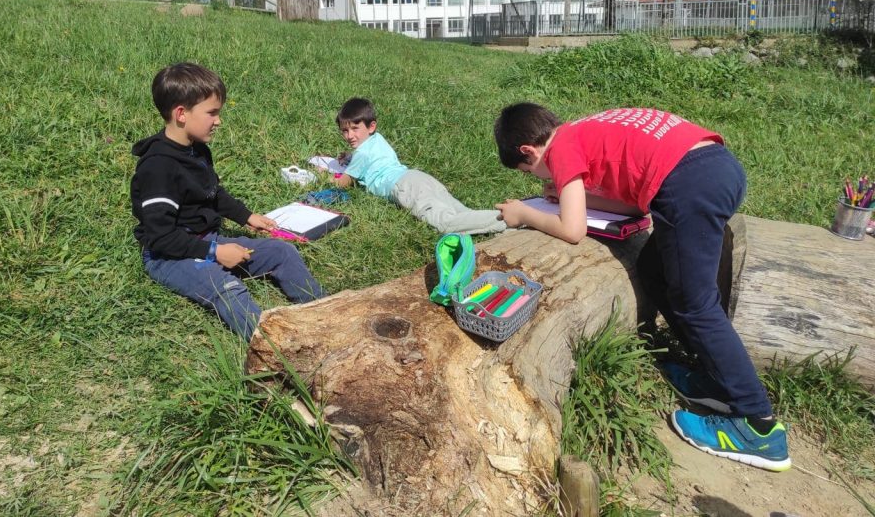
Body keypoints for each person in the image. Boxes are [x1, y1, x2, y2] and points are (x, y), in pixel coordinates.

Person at [493, 104, 790, 472]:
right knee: (653, 268)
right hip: (714, 166)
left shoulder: (560, 149)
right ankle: (718, 380)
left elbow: (573, 230)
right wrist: (568, 196)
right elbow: (636, 206)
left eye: (529, 172)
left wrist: (524, 213)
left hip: (689, 185)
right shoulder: (581, 130)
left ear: (529, 151)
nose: (540, 177)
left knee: (696, 304)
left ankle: (757, 426)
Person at [130, 63, 325, 341]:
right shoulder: (158, 168)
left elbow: (213, 193)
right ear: (181, 114)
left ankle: (324, 313)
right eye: (212, 113)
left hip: (206, 241)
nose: (218, 121)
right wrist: (215, 252)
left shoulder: (198, 150)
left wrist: (246, 216)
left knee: (282, 252)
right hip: (169, 257)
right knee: (227, 288)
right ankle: (274, 348)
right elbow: (161, 238)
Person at [330, 97, 506, 235]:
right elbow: (371, 158)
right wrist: (349, 157)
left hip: (405, 187)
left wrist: (323, 174)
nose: (349, 135)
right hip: (417, 177)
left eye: (354, 128)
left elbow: (343, 182)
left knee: (445, 223)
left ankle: (510, 220)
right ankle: (509, 224)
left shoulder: (361, 153)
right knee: (462, 212)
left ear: (371, 126)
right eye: (344, 131)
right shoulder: (376, 139)